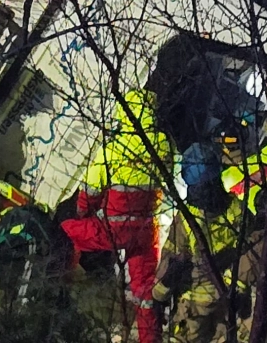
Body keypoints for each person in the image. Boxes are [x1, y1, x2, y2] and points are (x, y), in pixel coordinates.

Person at [60, 89, 173, 343]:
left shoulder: (113, 149)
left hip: (115, 229)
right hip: (147, 229)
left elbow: (89, 192)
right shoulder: (164, 143)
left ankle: (59, 284)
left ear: (124, 113)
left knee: (65, 231)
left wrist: (81, 215)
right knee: (145, 293)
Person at [152, 180, 243, 343]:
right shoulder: (238, 209)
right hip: (228, 300)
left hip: (193, 305)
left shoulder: (188, 218)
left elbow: (173, 262)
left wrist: (159, 296)